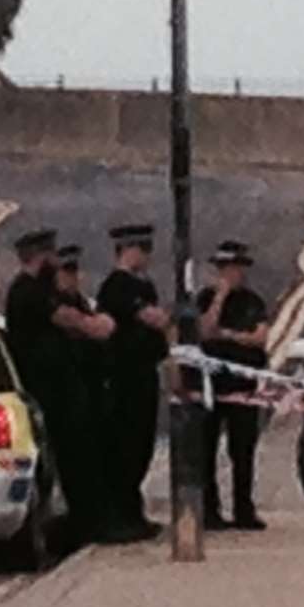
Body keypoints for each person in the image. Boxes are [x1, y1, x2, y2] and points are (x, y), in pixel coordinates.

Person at [4, 228, 117, 545]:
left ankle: (84, 521)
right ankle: (73, 526)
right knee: (66, 460)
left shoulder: (41, 289)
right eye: (53, 255)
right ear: (42, 257)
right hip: (46, 393)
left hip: (61, 389)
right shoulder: (28, 291)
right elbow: (72, 320)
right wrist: (98, 325)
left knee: (78, 457)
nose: (57, 261)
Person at [97, 223, 171, 542]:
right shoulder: (117, 287)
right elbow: (152, 319)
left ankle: (133, 513)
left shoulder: (145, 285)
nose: (148, 256)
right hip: (123, 378)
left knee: (141, 446)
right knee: (124, 447)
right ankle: (119, 516)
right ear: (127, 250)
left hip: (144, 375)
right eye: (143, 249)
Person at [197, 240, 270, 531]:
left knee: (243, 451)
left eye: (236, 269)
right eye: (226, 269)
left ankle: (244, 509)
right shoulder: (205, 298)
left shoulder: (253, 302)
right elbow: (204, 331)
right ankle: (210, 511)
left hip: (243, 386)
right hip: (210, 386)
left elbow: (260, 337)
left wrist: (227, 335)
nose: (233, 274)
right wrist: (220, 297)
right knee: (206, 450)